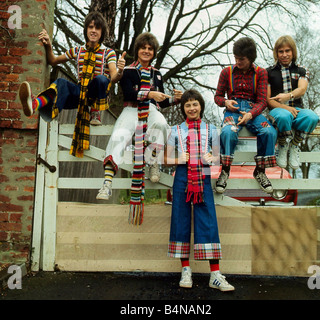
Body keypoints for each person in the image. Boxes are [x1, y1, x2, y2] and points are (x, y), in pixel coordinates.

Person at [96, 32, 182, 225]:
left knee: (161, 124)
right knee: (119, 135)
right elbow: (128, 93)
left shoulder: (156, 73)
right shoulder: (127, 69)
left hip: (149, 109)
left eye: (150, 49)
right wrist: (151, 93)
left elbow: (160, 100)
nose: (146, 51)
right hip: (131, 108)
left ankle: (153, 161)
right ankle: (107, 183)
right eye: (143, 47)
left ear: (154, 52)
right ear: (137, 50)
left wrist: (175, 98)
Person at [18, 11, 126, 157]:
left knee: (101, 79)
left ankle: (95, 113)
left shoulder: (109, 53)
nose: (94, 31)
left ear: (102, 32)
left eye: (97, 28)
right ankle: (35, 104)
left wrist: (120, 70)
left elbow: (113, 77)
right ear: (86, 29)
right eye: (91, 27)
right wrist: (49, 45)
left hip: (95, 93)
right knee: (61, 83)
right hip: (79, 93)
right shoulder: (78, 50)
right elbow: (53, 61)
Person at [164, 89, 234, 292]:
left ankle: (215, 274)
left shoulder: (211, 129)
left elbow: (219, 156)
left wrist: (212, 158)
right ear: (183, 108)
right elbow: (165, 158)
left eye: (195, 104)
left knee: (208, 221)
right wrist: (180, 159)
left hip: (202, 176)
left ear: (201, 106)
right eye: (187, 105)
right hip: (182, 177)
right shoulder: (176, 130)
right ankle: (185, 270)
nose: (192, 108)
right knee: (180, 220)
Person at [214, 37, 277, 194]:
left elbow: (262, 101)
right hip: (232, 110)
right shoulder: (226, 72)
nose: (237, 61)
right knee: (228, 131)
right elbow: (217, 97)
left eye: (241, 59)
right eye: (235, 57)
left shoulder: (261, 73)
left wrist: (250, 114)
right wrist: (226, 102)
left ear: (250, 58)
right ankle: (225, 170)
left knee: (269, 131)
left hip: (253, 110)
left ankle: (260, 171)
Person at [267, 35, 319, 169]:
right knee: (284, 116)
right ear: (276, 53)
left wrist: (288, 96)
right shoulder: (268, 72)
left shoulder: (301, 70)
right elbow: (268, 100)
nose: (284, 55)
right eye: (281, 51)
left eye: (287, 51)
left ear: (293, 52)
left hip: (297, 110)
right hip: (277, 110)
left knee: (312, 117)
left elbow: (302, 89)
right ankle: (283, 145)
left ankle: (295, 145)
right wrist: (285, 107)